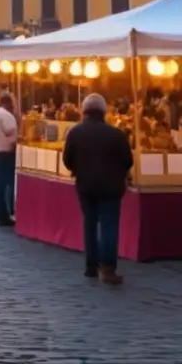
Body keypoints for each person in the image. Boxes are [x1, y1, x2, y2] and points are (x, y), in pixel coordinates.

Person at [62, 93, 133, 284]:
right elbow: (128, 160)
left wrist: (79, 169)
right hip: (111, 186)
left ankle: (90, 266)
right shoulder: (117, 134)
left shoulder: (75, 133)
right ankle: (108, 268)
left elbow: (67, 160)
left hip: (85, 185)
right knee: (109, 225)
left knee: (90, 224)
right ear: (104, 111)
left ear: (84, 111)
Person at [0, 93, 19, 225]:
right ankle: (5, 213)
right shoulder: (7, 116)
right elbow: (12, 133)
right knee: (6, 183)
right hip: (6, 152)